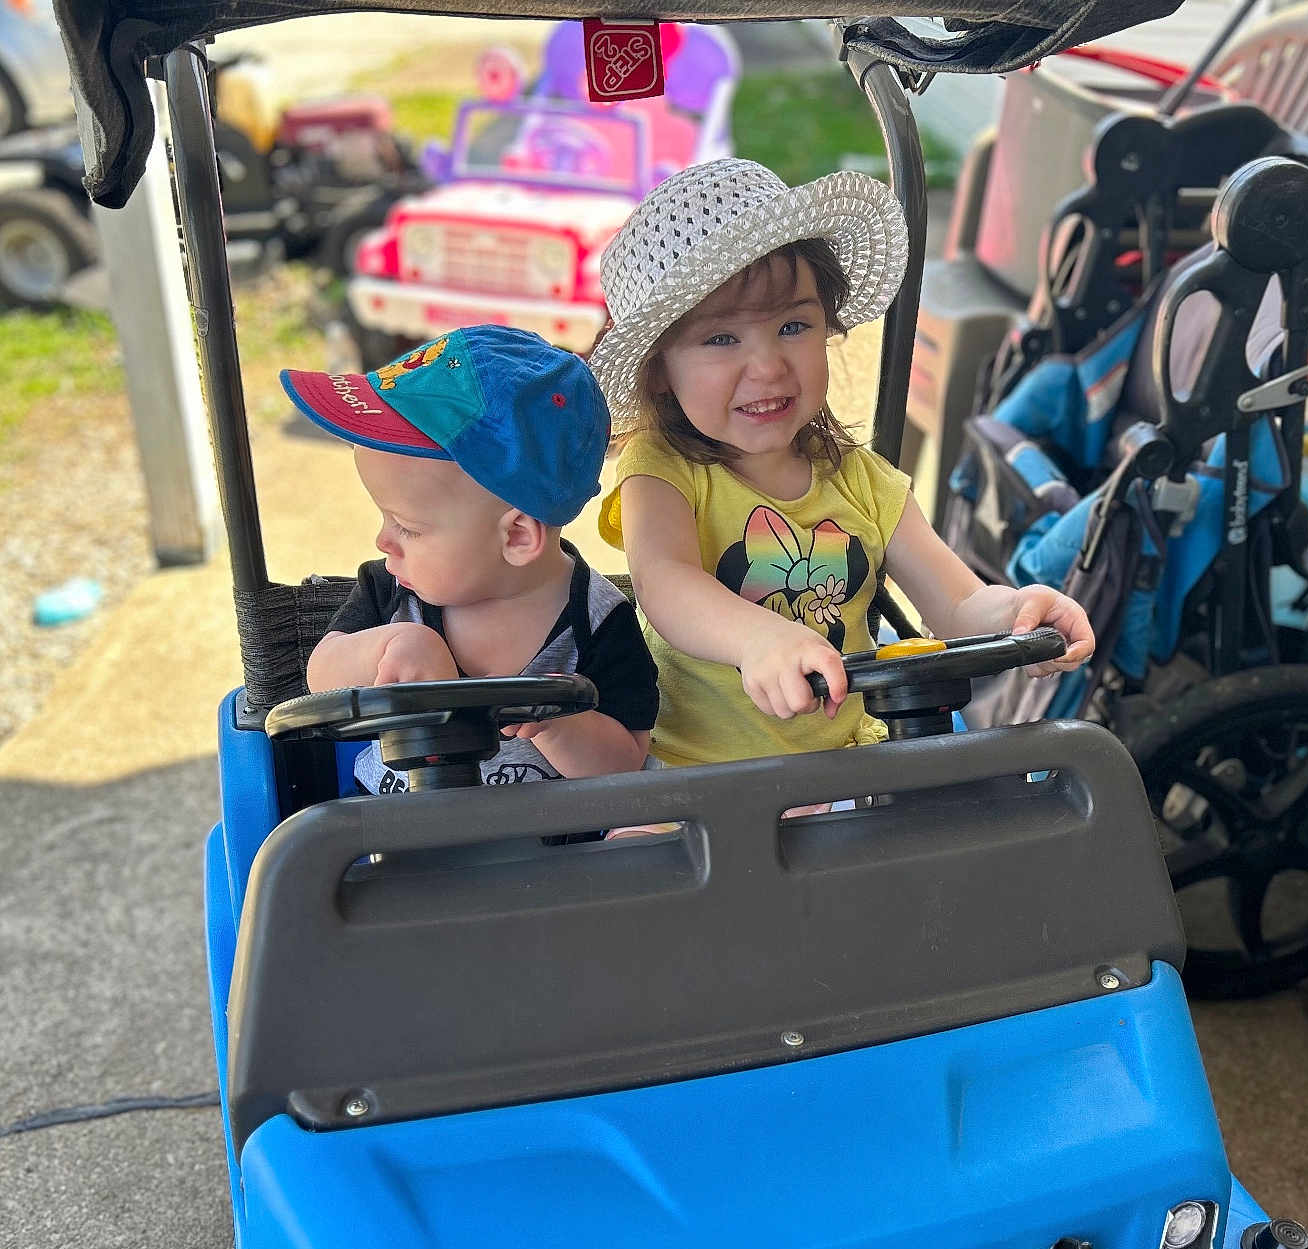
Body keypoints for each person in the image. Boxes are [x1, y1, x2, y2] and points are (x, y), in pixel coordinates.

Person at [588, 158, 1095, 770]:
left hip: (844, 770)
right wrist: (758, 639)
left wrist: (1016, 613)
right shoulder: (664, 467)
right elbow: (665, 582)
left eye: (794, 325)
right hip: (695, 777)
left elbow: (958, 607)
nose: (770, 366)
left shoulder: (864, 483)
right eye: (722, 339)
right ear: (661, 371)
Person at [282, 325, 659, 794]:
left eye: (409, 527)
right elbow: (320, 675)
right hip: (395, 841)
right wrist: (390, 648)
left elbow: (628, 761)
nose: (383, 541)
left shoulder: (599, 621)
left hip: (547, 852)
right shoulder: (393, 594)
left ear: (518, 536)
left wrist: (558, 725)